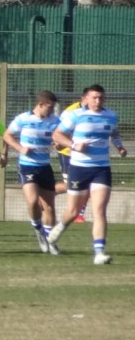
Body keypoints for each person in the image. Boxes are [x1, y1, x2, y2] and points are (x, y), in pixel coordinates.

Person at [48, 85, 127, 265]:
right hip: (79, 168)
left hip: (101, 168)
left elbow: (114, 133)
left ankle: (99, 253)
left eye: (101, 98)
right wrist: (74, 145)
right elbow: (57, 135)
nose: (98, 101)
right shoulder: (75, 115)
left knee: (99, 210)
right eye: (94, 98)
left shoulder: (111, 115)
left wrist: (119, 146)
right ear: (86, 98)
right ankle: (55, 234)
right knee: (73, 211)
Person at [3, 91, 61, 255]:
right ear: (40, 104)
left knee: (49, 206)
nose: (52, 110)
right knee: (33, 201)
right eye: (50, 107)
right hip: (27, 166)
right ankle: (39, 231)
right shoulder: (24, 118)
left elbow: (61, 137)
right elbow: (7, 135)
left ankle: (50, 241)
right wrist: (20, 148)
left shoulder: (55, 121)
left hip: (45, 166)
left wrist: (58, 143)